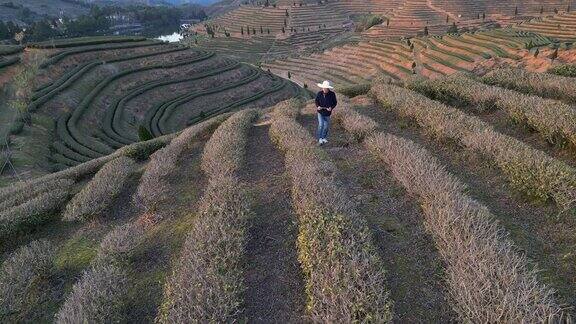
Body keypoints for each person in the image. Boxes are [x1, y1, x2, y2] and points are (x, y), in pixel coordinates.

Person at [315, 80, 337, 145]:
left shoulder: (332, 94)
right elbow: (316, 101)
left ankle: (323, 137)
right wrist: (318, 106)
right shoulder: (319, 93)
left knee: (326, 126)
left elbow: (335, 102)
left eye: (325, 88)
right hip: (320, 112)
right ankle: (319, 138)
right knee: (321, 125)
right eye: (323, 88)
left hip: (327, 113)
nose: (324, 89)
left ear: (328, 88)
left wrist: (331, 108)